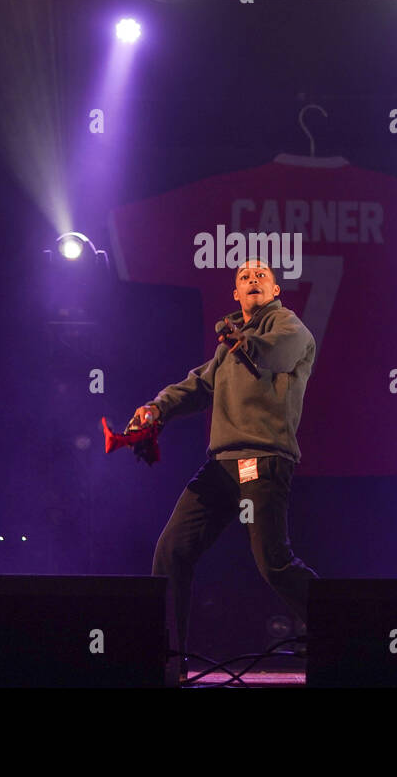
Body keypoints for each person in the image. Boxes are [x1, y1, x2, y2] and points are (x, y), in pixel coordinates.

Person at [130, 259, 318, 667]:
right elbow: (196, 384)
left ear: (274, 291)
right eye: (244, 277)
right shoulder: (227, 349)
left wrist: (239, 341)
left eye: (261, 276)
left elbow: (273, 355)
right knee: (172, 550)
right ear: (235, 294)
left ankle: (350, 630)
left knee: (274, 563)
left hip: (262, 459)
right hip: (221, 466)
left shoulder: (289, 327)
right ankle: (166, 658)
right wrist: (155, 409)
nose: (253, 279)